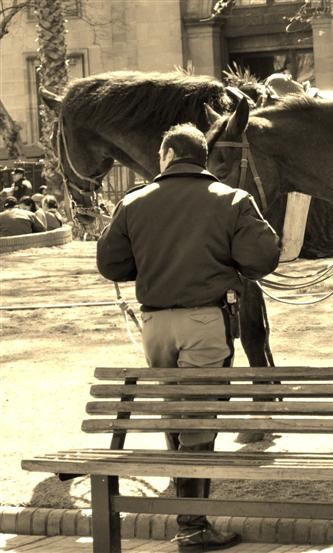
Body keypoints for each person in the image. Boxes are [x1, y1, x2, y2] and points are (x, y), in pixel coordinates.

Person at [96, 123, 281, 552]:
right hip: (205, 322)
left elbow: (110, 264)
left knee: (176, 418)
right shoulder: (233, 200)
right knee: (198, 424)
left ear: (166, 156)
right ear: (201, 157)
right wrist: (229, 265)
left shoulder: (133, 202)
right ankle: (193, 525)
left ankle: (190, 518)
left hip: (155, 325)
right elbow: (264, 256)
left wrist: (152, 265)